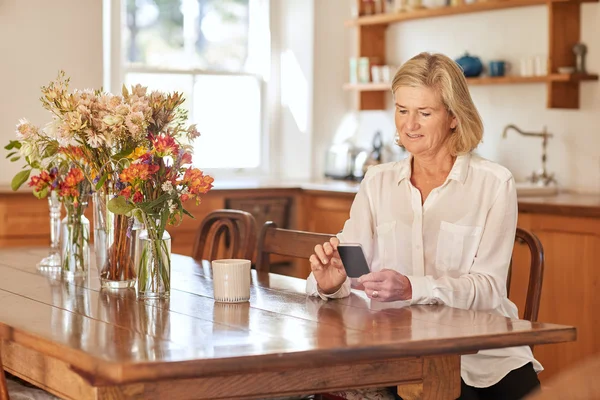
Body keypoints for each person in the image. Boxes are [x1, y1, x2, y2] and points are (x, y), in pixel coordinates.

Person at [306, 52, 542, 400]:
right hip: (398, 356)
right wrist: (332, 283)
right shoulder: (378, 181)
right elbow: (353, 267)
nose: (409, 125)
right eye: (402, 110)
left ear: (453, 117)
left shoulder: (494, 183)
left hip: (484, 360)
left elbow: (489, 288)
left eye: (424, 113)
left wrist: (411, 288)